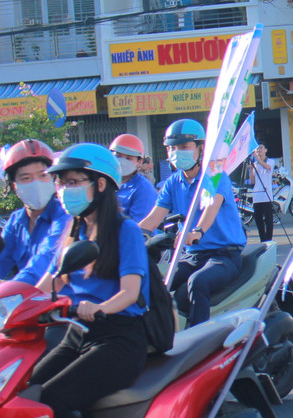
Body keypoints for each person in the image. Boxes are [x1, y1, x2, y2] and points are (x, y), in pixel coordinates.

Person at [32, 144, 148, 418]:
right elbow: (53, 280)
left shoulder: (125, 231)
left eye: (73, 181)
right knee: (26, 390)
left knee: (53, 398)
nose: (65, 189)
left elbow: (130, 292)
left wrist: (99, 308)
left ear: (100, 185)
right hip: (77, 333)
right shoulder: (75, 228)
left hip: (117, 337)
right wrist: (18, 304)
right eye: (62, 183)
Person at [139, 119, 245, 327]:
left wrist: (197, 232)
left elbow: (211, 209)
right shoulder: (172, 182)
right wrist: (126, 236)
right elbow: (153, 218)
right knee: (156, 281)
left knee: (198, 282)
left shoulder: (215, 177)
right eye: (173, 148)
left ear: (200, 148)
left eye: (184, 147)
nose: (177, 152)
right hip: (192, 256)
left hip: (224, 255)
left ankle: (198, 342)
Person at [0, 140, 66, 285]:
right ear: (14, 186)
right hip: (26, 301)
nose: (36, 183)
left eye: (43, 175)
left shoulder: (65, 215)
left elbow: (45, 260)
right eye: (26, 178)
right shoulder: (15, 221)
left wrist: (12, 287)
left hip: (63, 301)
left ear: (53, 178)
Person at [108, 135, 156, 223]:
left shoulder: (143, 188)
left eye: (129, 158)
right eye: (118, 156)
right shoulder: (106, 184)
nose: (122, 162)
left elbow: (138, 227)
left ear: (139, 162)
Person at [246, 144, 277, 243]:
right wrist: (251, 169)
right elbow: (253, 181)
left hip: (266, 195)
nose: (259, 150)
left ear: (265, 150)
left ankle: (269, 239)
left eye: (261, 148)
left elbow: (267, 167)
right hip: (257, 195)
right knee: (259, 220)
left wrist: (256, 158)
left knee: (268, 220)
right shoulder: (255, 164)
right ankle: (262, 240)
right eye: (257, 149)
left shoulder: (271, 161)